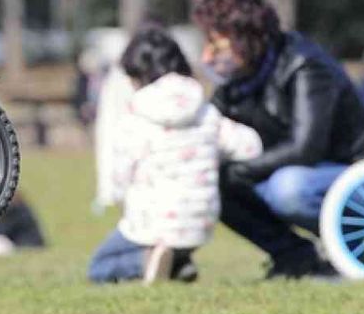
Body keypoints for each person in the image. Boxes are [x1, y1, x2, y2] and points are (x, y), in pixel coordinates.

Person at [193, 0, 364, 279]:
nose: (207, 57)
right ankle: (295, 258)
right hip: (299, 173)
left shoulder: (305, 65)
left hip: (361, 176)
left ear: (244, 37)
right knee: (215, 180)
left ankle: (349, 256)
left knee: (287, 189)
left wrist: (243, 170)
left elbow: (305, 148)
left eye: (216, 44)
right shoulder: (239, 77)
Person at [88, 25, 261, 284]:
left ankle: (148, 262)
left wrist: (115, 194)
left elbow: (120, 173)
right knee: (172, 241)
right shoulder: (204, 110)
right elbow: (250, 146)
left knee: (101, 266)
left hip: (151, 223)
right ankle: (178, 263)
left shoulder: (135, 115)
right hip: (198, 223)